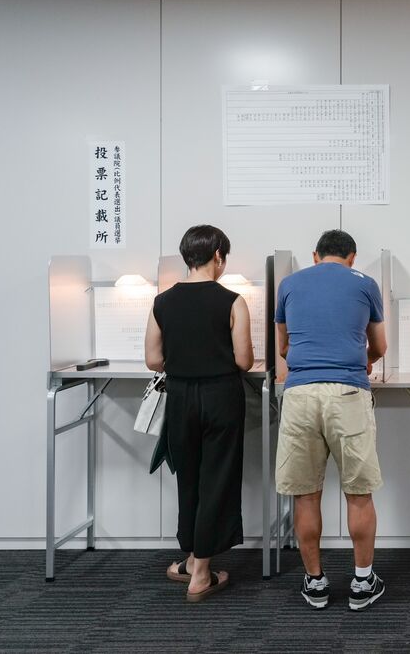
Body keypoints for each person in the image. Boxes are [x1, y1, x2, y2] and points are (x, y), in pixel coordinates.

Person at [274, 229, 387, 611]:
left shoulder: (289, 284)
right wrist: (364, 356)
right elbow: (381, 346)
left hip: (300, 394)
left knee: (306, 494)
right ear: (352, 257)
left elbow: (283, 347)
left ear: (315, 255)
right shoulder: (366, 284)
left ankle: (316, 582)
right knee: (359, 493)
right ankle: (361, 582)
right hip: (349, 394)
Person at [144, 225, 254, 602]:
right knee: (217, 480)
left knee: (188, 478)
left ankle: (192, 558)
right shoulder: (233, 301)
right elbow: (243, 360)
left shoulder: (162, 301)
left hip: (180, 397)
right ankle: (202, 574)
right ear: (219, 256)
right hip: (221, 395)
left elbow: (152, 360)